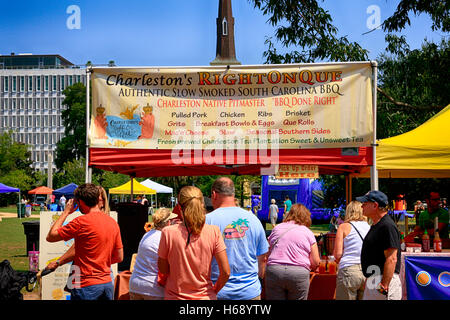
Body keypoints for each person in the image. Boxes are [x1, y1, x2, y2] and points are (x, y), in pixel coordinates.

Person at [46, 183, 123, 300]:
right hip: (107, 283)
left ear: (80, 202)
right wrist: (100, 262)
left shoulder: (80, 222)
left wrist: (66, 212)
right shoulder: (113, 223)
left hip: (85, 284)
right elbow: (119, 257)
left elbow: (51, 236)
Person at [157, 186, 230, 300]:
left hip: (175, 296)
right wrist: (214, 290)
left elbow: (163, 269)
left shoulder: (168, 233)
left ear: (179, 207)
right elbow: (225, 272)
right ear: (202, 204)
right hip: (205, 297)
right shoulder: (214, 231)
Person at [206, 177, 269, 300]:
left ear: (214, 194)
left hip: (217, 291)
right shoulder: (253, 219)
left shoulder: (208, 220)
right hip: (249, 291)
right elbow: (262, 257)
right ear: (233, 194)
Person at [265, 204, 320, 300]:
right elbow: (315, 261)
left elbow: (267, 252)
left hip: (275, 271)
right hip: (298, 273)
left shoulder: (277, 228)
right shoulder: (308, 232)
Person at [356, 190, 402, 300]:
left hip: (384, 281)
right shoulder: (377, 225)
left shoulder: (387, 226)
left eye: (365, 203)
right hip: (375, 279)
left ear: (375, 205)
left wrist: (384, 286)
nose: (362, 206)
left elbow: (392, 258)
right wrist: (369, 279)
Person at [129, 208, 178, 300]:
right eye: (173, 221)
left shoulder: (147, 235)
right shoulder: (164, 238)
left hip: (135, 285)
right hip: (153, 288)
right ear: (168, 223)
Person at [333, 201, 370, 300]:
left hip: (349, 270)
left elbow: (337, 254)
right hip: (367, 271)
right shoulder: (369, 227)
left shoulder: (344, 227)